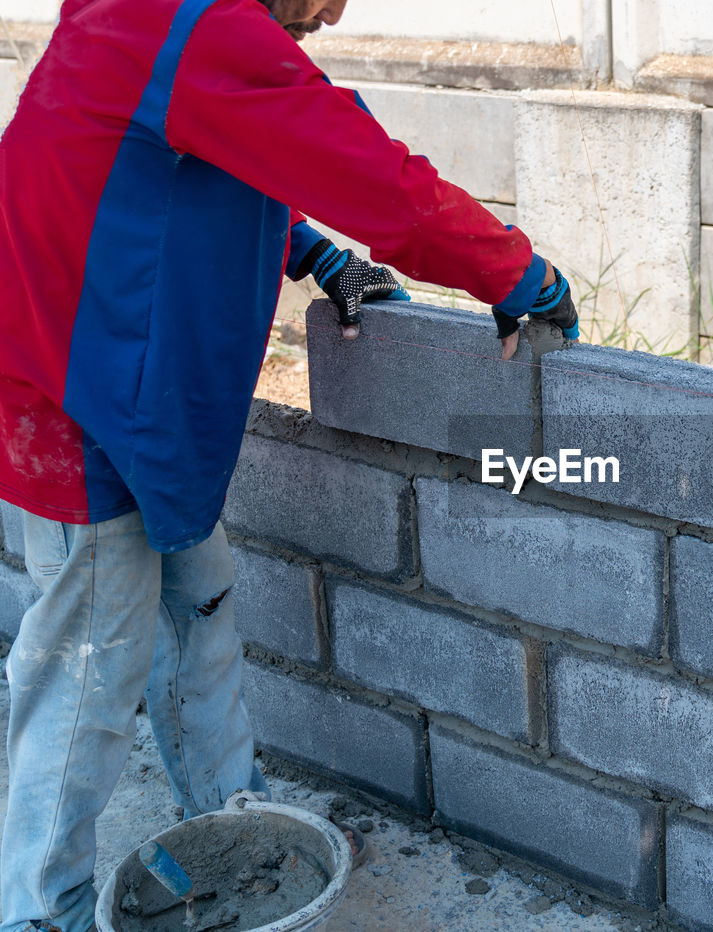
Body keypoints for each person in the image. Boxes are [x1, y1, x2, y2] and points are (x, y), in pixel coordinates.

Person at [0, 1, 577, 929]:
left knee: (201, 606)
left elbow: (183, 163)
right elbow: (373, 176)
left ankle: (235, 827)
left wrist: (310, 252)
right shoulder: (202, 26)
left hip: (125, 391)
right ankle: (36, 909)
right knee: (85, 675)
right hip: (83, 408)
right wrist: (518, 275)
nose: (326, 18)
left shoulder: (140, 17)